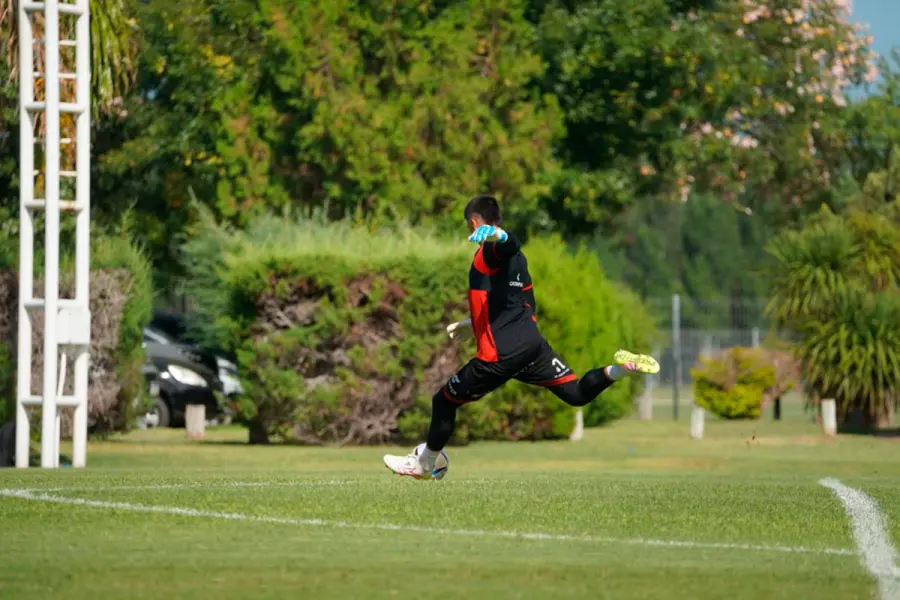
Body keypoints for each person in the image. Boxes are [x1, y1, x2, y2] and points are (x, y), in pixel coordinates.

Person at [383, 195, 659, 479]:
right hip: (532, 347)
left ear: (474, 223)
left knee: (443, 401)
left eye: (469, 226)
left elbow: (510, 243)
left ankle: (423, 464)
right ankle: (621, 369)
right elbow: (521, 304)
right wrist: (473, 324)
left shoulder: (489, 252)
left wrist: (496, 235)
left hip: (499, 355)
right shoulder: (519, 261)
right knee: (576, 394)